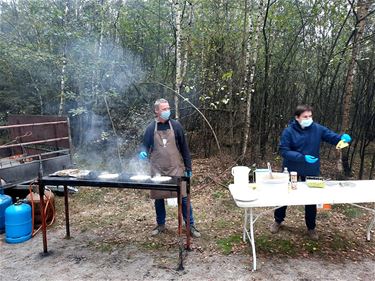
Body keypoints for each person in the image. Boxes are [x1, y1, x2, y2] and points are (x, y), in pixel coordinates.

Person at [270, 105, 352, 240]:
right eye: (305, 117)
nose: (308, 119)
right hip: (292, 170)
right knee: (284, 196)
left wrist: (342, 138)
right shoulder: (288, 132)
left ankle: (311, 227)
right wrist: (302, 157)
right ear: (297, 118)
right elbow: (283, 151)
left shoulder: (317, 129)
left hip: (311, 171)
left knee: (311, 199)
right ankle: (278, 220)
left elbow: (332, 137)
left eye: (310, 116)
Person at [139, 98, 201, 238]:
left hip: (176, 168)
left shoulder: (176, 126)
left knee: (184, 197)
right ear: (157, 111)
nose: (167, 111)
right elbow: (144, 145)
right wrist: (142, 152)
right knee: (158, 198)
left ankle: (190, 225)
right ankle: (161, 225)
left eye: (168, 108)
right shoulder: (150, 128)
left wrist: (188, 166)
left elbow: (184, 148)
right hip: (157, 170)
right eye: (164, 109)